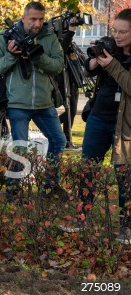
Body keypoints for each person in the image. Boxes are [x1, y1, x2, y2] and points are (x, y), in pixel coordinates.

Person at [0, 1, 65, 197]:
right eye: (33, 19)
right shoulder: (5, 36)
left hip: (44, 103)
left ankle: (50, 185)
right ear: (23, 18)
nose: (37, 23)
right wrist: (11, 55)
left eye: (41, 19)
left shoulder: (49, 37)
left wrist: (37, 56)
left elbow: (58, 66)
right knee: (20, 147)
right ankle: (13, 191)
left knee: (58, 141)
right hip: (17, 103)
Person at [77, 9, 131, 243]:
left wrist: (112, 65)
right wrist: (93, 60)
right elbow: (87, 72)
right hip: (99, 117)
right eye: (115, 31)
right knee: (88, 168)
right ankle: (80, 218)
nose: (117, 36)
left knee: (125, 177)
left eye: (123, 32)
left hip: (125, 125)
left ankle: (126, 228)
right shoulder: (111, 48)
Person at [55, 20, 81, 149]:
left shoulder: (71, 46)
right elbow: (61, 49)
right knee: (70, 111)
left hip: (73, 81)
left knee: (72, 110)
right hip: (63, 81)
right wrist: (71, 31)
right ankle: (53, 125)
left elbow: (81, 60)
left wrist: (76, 59)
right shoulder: (58, 44)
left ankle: (67, 140)